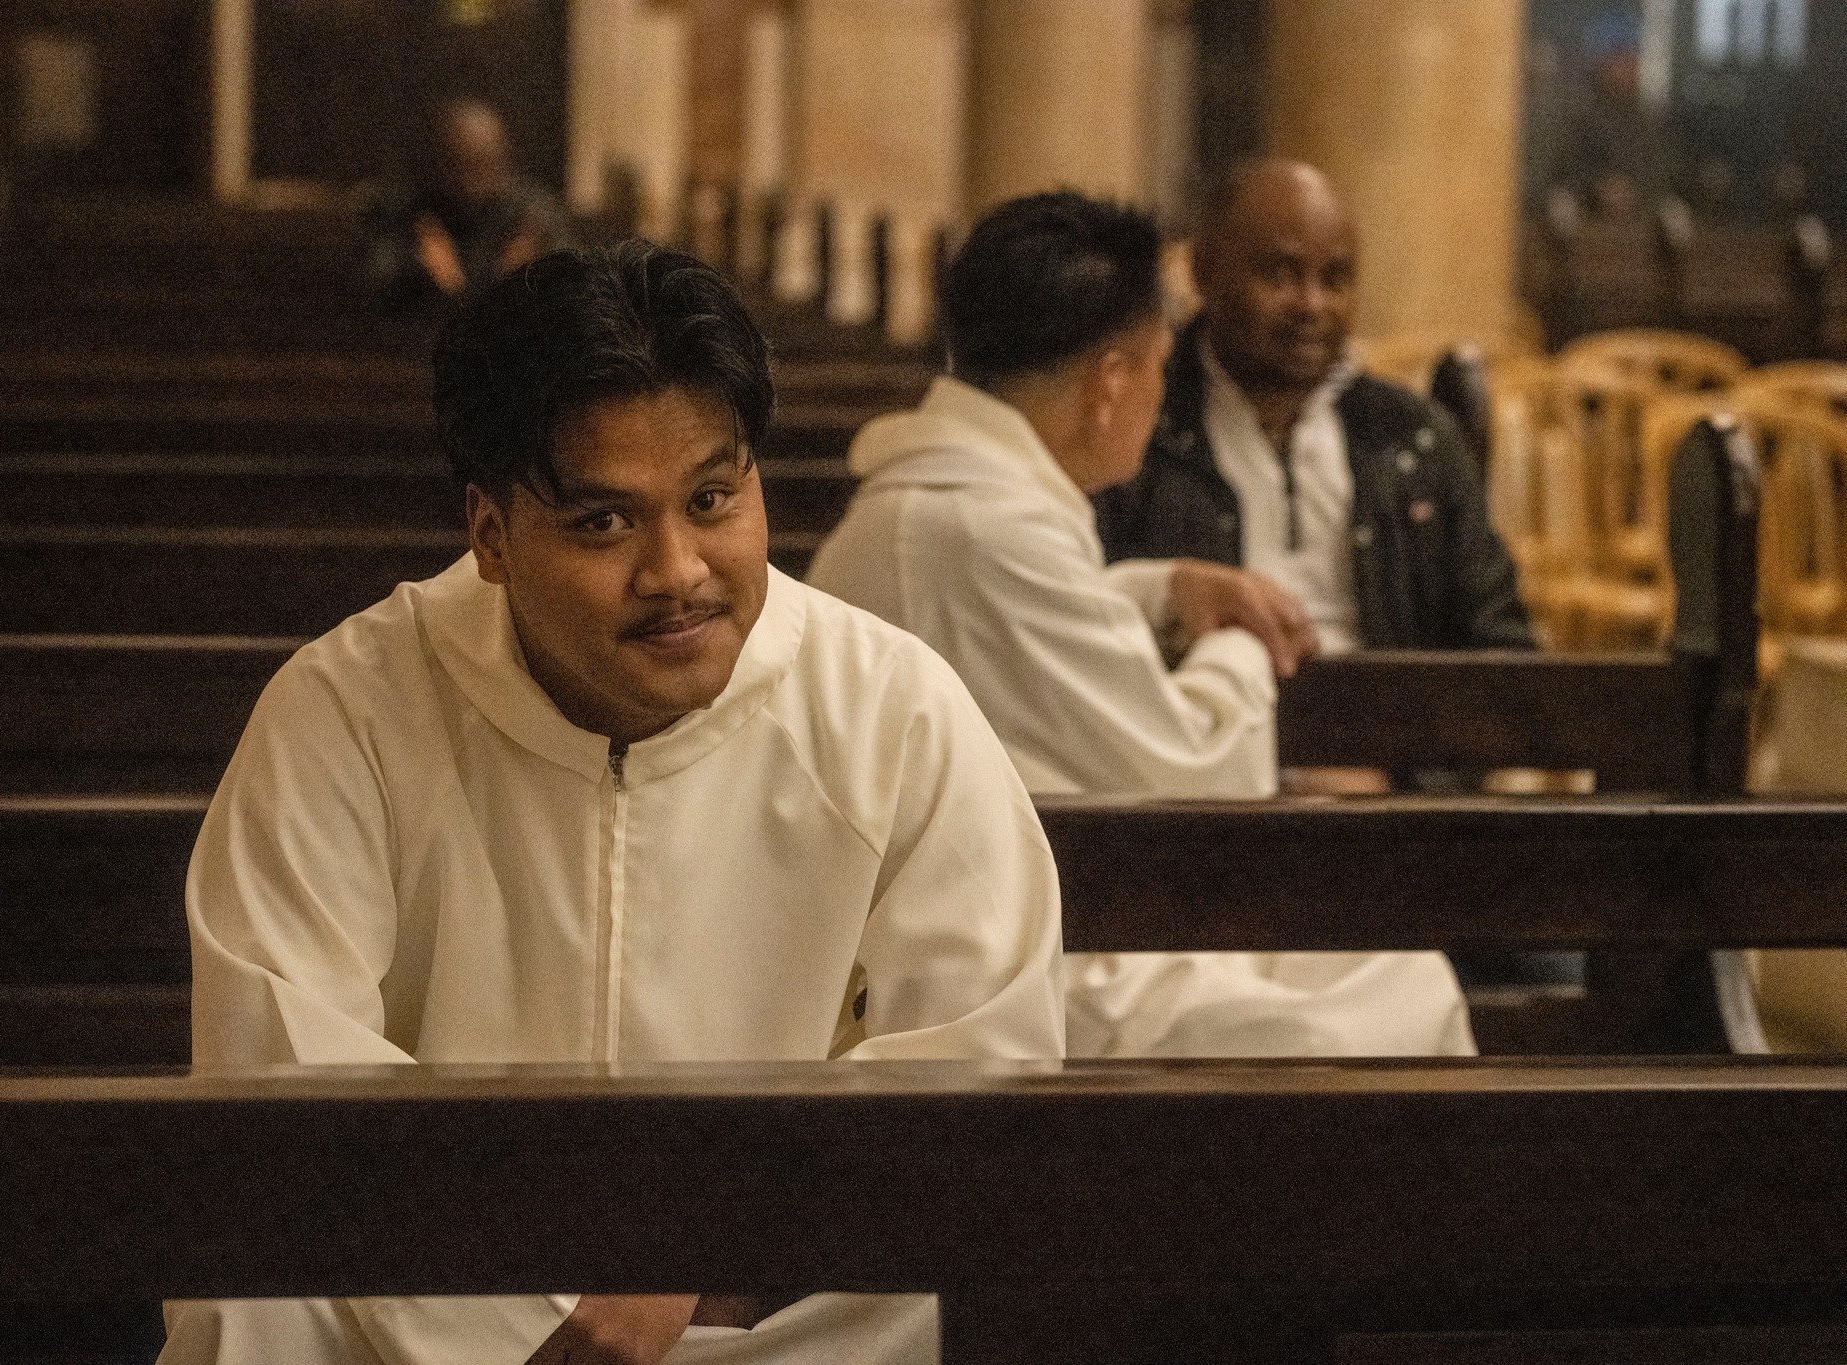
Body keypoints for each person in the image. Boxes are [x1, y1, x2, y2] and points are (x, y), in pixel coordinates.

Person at [160, 243, 1064, 1365]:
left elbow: (980, 1066)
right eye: (603, 523)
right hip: (431, 1310)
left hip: (772, 1309)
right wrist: (545, 1297)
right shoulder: (346, 713)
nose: (676, 569)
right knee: (260, 1296)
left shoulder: (891, 712)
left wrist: (703, 1245)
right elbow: (284, 1083)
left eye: (712, 500)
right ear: (490, 535)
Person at [807, 191, 1472, 1058]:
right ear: (1115, 382)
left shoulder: (956, 505)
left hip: (1038, 906)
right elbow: (1193, 774)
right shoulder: (984, 526)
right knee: (1391, 994)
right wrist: (1239, 642)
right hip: (1007, 963)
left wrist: (1163, 589)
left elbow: (1020, 636)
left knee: (1389, 965)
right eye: (1161, 365)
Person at [1095, 160, 1533, 653]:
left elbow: (1501, 644)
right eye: (1281, 275)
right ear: (1205, 271)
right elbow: (1083, 616)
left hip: (1390, 722)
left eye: (1335, 279)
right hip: (1197, 719)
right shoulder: (1137, 424)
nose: (1312, 305)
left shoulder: (1412, 438)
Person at [367, 99, 573, 316]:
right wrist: (417, 270)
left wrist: (532, 276)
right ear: (434, 162)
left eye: (481, 167)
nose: (467, 185)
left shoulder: (532, 214)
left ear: (503, 163)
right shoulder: (409, 208)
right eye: (455, 166)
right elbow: (374, 282)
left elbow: (576, 287)